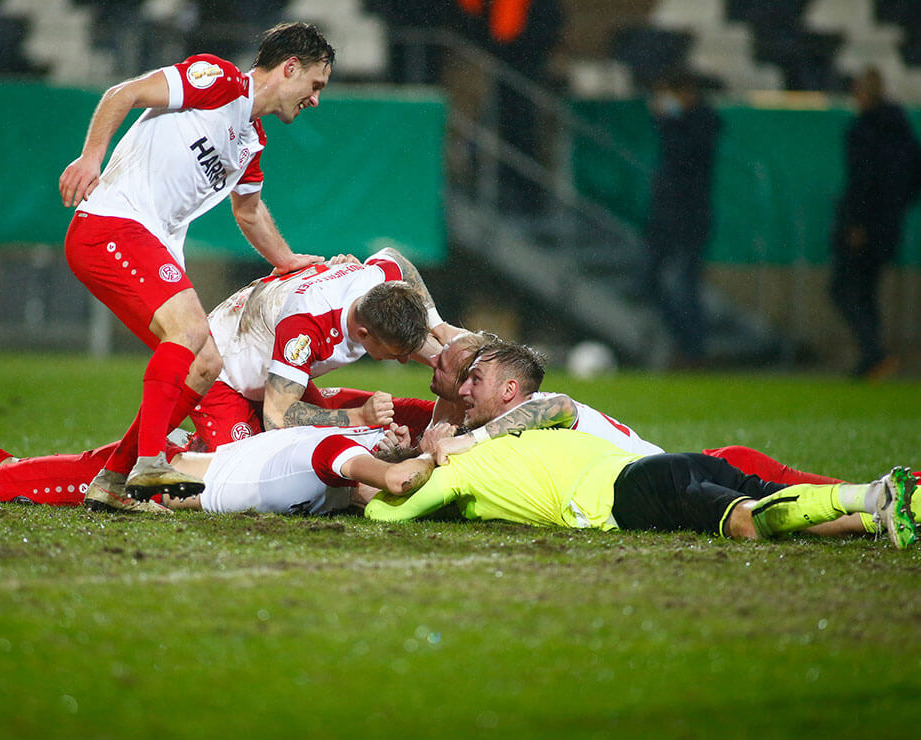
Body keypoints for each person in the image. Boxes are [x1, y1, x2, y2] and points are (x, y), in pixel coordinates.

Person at [58, 22, 334, 507]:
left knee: (207, 363)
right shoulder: (218, 79)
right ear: (290, 68)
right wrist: (89, 158)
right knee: (187, 332)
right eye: (315, 85)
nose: (315, 99)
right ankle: (150, 465)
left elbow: (248, 212)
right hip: (111, 224)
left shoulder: (251, 144)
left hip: (144, 241)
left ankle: (112, 481)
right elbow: (123, 94)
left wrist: (287, 260)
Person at [364, 345, 918, 548]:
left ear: (508, 390)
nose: (461, 391)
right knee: (798, 507)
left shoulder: (538, 409)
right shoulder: (501, 434)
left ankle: (884, 497)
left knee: (773, 510)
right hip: (662, 470)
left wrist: (459, 443)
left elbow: (554, 408)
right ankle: (885, 511)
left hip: (651, 477)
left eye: (470, 381)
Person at [0, 411, 430, 517]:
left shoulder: (342, 474)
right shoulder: (336, 455)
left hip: (163, 470)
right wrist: (441, 455)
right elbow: (398, 481)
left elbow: (382, 501)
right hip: (146, 480)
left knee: (14, 465)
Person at [189, 247, 461, 451]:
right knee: (247, 474)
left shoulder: (375, 285)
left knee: (343, 443)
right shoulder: (306, 328)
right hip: (222, 372)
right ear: (363, 334)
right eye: (395, 354)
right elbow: (278, 415)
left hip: (278, 373)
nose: (404, 361)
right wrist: (358, 416)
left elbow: (396, 260)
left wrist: (440, 327)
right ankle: (175, 449)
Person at [829, 66, 921, 380]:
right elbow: (913, 178)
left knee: (844, 290)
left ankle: (873, 353)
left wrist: (856, 222)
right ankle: (872, 358)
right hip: (888, 226)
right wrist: (893, 211)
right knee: (866, 292)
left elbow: (861, 181)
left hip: (862, 226)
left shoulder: (863, 130)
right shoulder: (902, 130)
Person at [641, 69, 721, 366]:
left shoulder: (702, 123)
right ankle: (686, 343)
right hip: (663, 217)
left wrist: (669, 120)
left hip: (690, 217)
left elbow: (683, 159)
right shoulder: (676, 124)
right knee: (648, 279)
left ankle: (694, 350)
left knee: (686, 285)